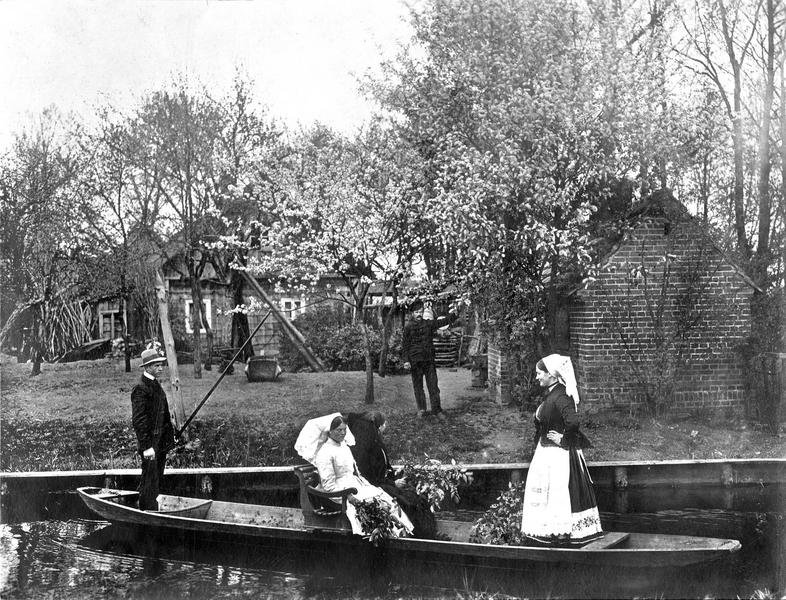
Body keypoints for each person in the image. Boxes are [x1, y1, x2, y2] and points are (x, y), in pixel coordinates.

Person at [520, 354, 603, 545]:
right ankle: (550, 531)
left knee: (558, 492)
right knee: (548, 492)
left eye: (540, 373)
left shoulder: (561, 395)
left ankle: (561, 533)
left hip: (557, 456)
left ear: (552, 374)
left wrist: (563, 439)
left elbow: (573, 421)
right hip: (547, 452)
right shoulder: (552, 393)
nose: (537, 377)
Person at [295, 413, 414, 538]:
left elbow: (355, 472)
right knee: (370, 504)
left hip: (353, 484)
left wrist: (367, 485)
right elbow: (328, 486)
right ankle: (381, 534)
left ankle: (396, 532)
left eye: (344, 430)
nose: (342, 433)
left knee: (382, 498)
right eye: (338, 430)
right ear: (329, 431)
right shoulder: (325, 452)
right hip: (337, 494)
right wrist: (349, 496)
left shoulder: (344, 447)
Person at [346, 411, 438, 539]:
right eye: (383, 424)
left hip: (385, 482)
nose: (385, 426)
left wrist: (395, 479)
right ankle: (419, 535)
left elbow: (385, 467)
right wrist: (393, 483)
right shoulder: (366, 449)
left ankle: (427, 533)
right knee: (409, 501)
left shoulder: (377, 443)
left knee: (415, 495)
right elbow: (372, 478)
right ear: (378, 426)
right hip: (378, 485)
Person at [131, 348, 176, 511]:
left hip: (161, 442)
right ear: (147, 367)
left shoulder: (155, 385)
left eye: (161, 365)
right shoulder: (141, 388)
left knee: (157, 479)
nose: (160, 368)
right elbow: (139, 420)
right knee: (149, 481)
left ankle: (153, 509)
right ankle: (145, 511)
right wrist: (147, 446)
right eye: (156, 365)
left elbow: (162, 415)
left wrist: (171, 435)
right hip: (150, 444)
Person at [401, 301, 458, 420]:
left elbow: (441, 322)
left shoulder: (428, 324)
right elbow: (405, 345)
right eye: (416, 312)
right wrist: (406, 361)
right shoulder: (408, 327)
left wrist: (454, 315)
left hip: (428, 361)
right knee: (418, 387)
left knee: (433, 386)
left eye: (421, 312)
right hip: (415, 361)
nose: (419, 314)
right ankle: (421, 409)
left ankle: (437, 410)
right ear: (412, 313)